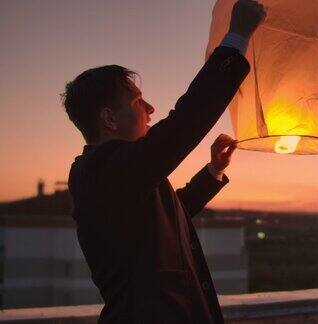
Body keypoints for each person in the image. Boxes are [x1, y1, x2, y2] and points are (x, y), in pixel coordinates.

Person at [61, 1, 266, 323]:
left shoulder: (122, 174)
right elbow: (184, 122)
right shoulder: (101, 171)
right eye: (138, 101)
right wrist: (237, 36)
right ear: (109, 119)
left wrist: (213, 171)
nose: (151, 109)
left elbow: (171, 214)